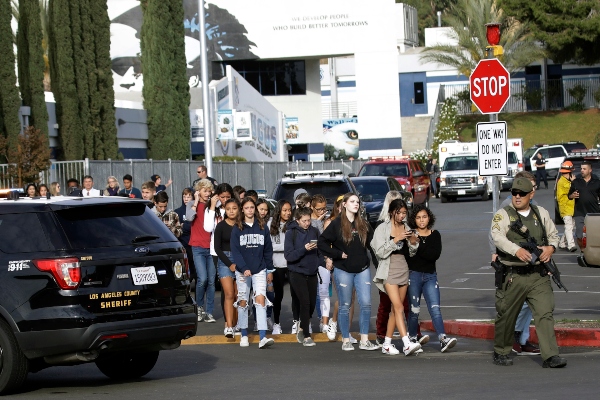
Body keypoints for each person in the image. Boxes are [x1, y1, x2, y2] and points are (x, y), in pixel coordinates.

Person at [491, 177, 566, 368]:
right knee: (506, 314)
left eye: (522, 194)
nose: (517, 197)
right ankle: (501, 350)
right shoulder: (504, 214)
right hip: (513, 275)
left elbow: (553, 235)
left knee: (545, 312)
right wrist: (516, 250)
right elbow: (497, 236)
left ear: (530, 195)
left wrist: (551, 248)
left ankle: (550, 355)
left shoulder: (540, 213)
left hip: (537, 275)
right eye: (514, 193)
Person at [488, 170, 541, 357]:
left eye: (533, 187)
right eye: (530, 186)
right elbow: (494, 233)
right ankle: (513, 338)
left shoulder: (534, 207)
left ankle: (523, 339)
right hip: (511, 262)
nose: (532, 190)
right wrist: (494, 254)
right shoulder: (507, 205)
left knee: (529, 304)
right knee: (514, 304)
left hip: (530, 261)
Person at [318, 193, 377, 352]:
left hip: (362, 269)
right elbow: (322, 242)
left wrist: (379, 266)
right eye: (352, 201)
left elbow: (373, 245)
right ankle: (345, 339)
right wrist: (337, 254)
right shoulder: (336, 224)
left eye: (357, 201)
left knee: (365, 303)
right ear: (344, 204)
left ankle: (364, 340)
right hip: (343, 269)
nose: (355, 204)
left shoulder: (363, 224)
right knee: (345, 305)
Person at [374, 191, 426, 347]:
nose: (402, 216)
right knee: (397, 307)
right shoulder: (382, 228)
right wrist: (396, 239)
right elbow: (379, 252)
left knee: (395, 310)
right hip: (388, 269)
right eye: (399, 213)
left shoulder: (407, 227)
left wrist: (413, 242)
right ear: (391, 212)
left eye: (404, 213)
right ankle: (406, 342)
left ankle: (387, 343)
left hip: (403, 267)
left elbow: (411, 252)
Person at [406, 204, 457, 352]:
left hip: (430, 276)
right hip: (413, 275)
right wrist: (415, 243)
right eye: (418, 217)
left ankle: (442, 338)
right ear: (414, 219)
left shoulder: (435, 235)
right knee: (414, 309)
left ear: (429, 218)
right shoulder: (410, 235)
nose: (422, 220)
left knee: (435, 309)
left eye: (424, 217)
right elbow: (409, 256)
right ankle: (412, 338)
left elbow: (433, 255)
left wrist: (418, 244)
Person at [230, 197, 275, 349]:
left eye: (252, 207)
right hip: (243, 271)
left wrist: (270, 269)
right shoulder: (237, 228)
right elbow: (235, 251)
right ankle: (243, 334)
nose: (249, 210)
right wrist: (243, 267)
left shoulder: (262, 227)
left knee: (260, 300)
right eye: (247, 207)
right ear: (242, 209)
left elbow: (268, 250)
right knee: (243, 301)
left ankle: (263, 336)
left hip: (260, 269)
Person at [285, 207, 321, 347]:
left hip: (312, 272)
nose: (307, 223)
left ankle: (302, 325)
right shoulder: (291, 233)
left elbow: (319, 252)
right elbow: (289, 256)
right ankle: (306, 335)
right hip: (296, 272)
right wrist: (303, 249)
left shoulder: (314, 231)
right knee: (305, 302)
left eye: (309, 220)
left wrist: (324, 263)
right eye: (304, 221)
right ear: (297, 220)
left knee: (311, 303)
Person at [186, 179, 218, 323]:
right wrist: (196, 200)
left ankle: (209, 311)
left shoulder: (213, 205)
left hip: (211, 247)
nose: (207, 193)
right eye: (204, 190)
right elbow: (189, 217)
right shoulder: (192, 204)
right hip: (197, 246)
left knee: (211, 281)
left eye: (209, 190)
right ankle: (199, 307)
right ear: (198, 191)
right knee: (202, 279)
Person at [214, 198, 241, 338]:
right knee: (229, 294)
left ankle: (236, 324)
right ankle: (229, 326)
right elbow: (216, 248)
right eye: (228, 208)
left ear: (238, 209)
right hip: (225, 260)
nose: (231, 211)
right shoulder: (220, 226)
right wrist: (229, 264)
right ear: (225, 210)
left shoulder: (242, 226)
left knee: (238, 295)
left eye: (234, 208)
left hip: (240, 259)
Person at [268, 200, 293, 335]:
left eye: (289, 210)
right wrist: (285, 248)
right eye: (284, 210)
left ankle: (297, 322)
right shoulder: (271, 224)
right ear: (279, 211)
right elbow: (269, 246)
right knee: (278, 295)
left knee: (296, 294)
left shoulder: (293, 224)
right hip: (277, 264)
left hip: (291, 263)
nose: (287, 213)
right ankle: (276, 323)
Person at [568, 161, 600, 250]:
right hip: (579, 212)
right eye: (581, 168)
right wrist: (572, 195)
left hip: (593, 213)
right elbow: (569, 195)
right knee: (579, 235)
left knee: (594, 236)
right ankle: (583, 251)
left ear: (590, 170)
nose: (581, 170)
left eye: (584, 169)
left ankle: (592, 252)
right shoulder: (576, 182)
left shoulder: (597, 182)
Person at [310, 194, 330, 333]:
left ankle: (324, 321)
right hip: (309, 259)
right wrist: (318, 221)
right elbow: (313, 238)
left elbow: (325, 240)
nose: (322, 211)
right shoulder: (307, 220)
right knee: (310, 292)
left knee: (323, 291)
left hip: (323, 259)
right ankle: (309, 320)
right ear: (312, 207)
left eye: (324, 209)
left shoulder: (326, 221)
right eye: (318, 209)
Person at [174, 188, 197, 283]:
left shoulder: (195, 209)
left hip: (194, 243)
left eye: (188, 196)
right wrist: (185, 225)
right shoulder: (178, 211)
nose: (186, 199)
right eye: (184, 196)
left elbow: (192, 227)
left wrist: (185, 225)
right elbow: (177, 229)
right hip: (183, 243)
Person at [556, 161, 577, 252]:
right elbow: (569, 191)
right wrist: (573, 182)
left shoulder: (566, 181)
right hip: (565, 207)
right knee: (569, 226)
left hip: (571, 207)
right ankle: (571, 245)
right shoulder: (562, 182)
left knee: (570, 226)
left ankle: (562, 243)